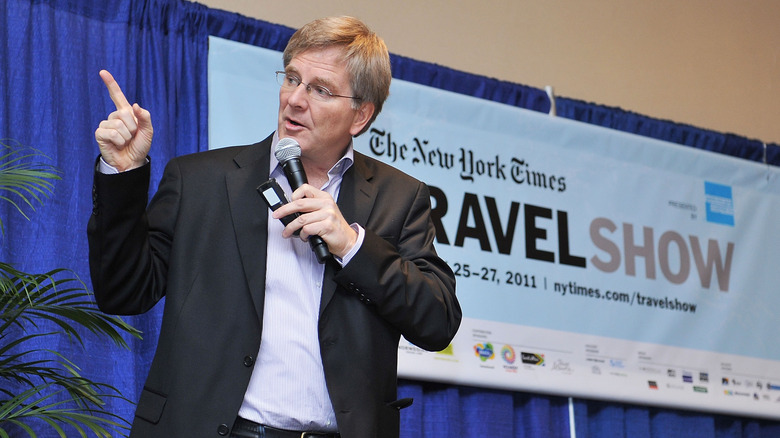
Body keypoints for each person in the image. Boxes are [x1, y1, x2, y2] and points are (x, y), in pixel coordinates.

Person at [88, 16, 461, 438]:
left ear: (360, 115)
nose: (295, 100)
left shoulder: (400, 197)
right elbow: (123, 291)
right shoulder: (200, 180)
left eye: (320, 89)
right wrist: (121, 174)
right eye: (292, 79)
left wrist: (352, 245)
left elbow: (437, 322)